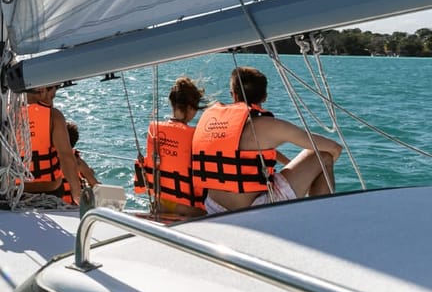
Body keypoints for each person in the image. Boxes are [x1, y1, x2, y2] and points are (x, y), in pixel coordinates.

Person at [192, 66, 342, 214]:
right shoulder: (269, 126)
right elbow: (334, 148)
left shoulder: (209, 121)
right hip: (256, 208)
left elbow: (240, 154)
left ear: (233, 95)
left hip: (213, 207)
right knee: (323, 155)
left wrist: (288, 164)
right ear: (264, 96)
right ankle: (321, 217)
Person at [133, 77, 206, 217]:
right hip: (186, 208)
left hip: (160, 203)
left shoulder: (154, 130)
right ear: (190, 108)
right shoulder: (194, 135)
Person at [20, 84, 81, 204]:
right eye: (52, 97)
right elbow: (66, 156)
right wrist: (77, 193)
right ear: (42, 90)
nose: (51, 102)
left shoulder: (5, 114)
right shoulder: (53, 116)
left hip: (15, 190)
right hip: (50, 190)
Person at [60, 121, 100, 204]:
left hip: (53, 204)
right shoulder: (78, 162)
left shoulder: (50, 159)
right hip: (73, 206)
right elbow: (95, 184)